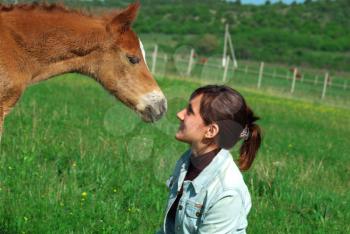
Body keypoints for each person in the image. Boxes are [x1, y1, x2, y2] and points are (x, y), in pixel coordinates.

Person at [157, 85, 262, 234]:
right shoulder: (185, 163)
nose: (179, 114)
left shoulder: (227, 192)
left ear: (211, 131)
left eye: (190, 111)